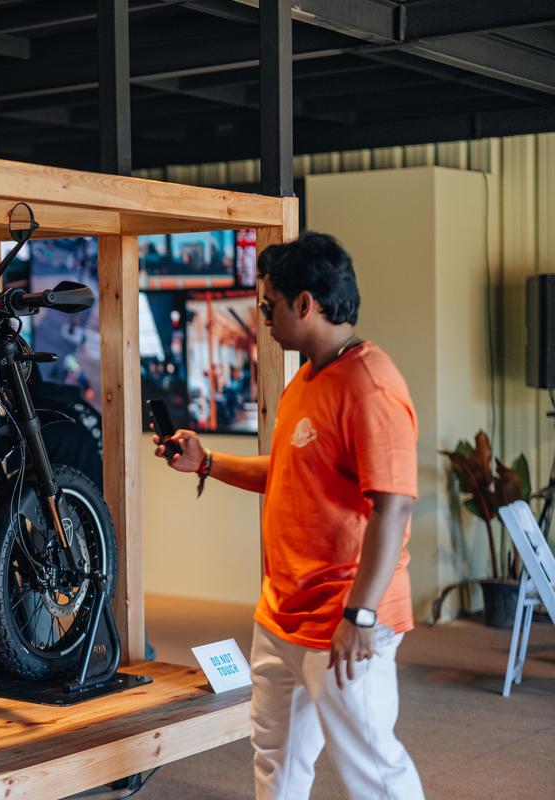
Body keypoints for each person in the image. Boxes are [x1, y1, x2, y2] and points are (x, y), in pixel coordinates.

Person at [154, 233, 424, 800]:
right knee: (275, 763)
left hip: (344, 618)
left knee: (373, 772)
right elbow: (286, 472)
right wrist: (208, 463)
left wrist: (361, 616)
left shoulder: (371, 385)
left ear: (305, 303)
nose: (262, 317)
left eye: (269, 304)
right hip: (281, 615)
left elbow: (393, 506)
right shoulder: (306, 380)